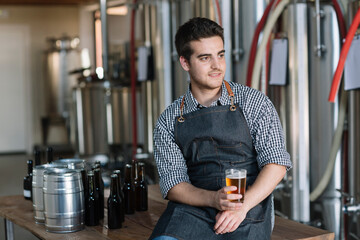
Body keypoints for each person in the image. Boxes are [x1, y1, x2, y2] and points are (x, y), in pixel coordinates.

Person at [150, 17, 292, 240]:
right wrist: (214, 199)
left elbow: (276, 164)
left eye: (221, 55)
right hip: (193, 209)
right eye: (205, 58)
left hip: (248, 206)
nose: (217, 65)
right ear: (185, 63)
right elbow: (174, 184)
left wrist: (241, 207)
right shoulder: (169, 120)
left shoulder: (253, 102)